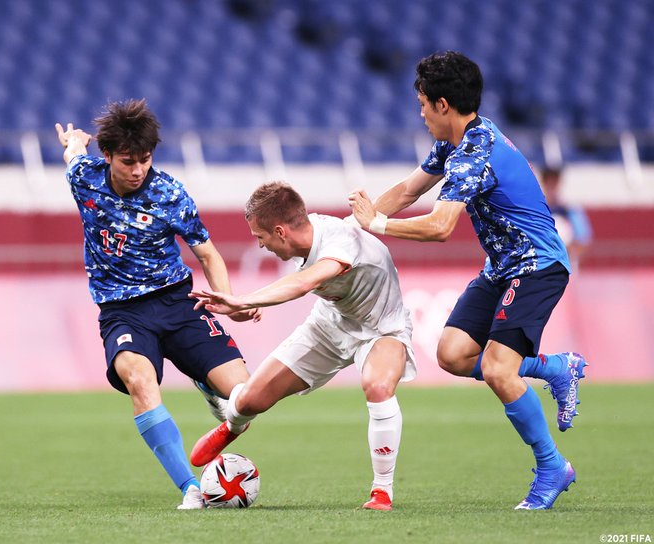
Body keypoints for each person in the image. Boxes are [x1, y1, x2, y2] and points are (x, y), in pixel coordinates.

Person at [348, 51, 587, 510]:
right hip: (502, 267)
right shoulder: (456, 141)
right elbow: (409, 189)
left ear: (443, 104)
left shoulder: (475, 151)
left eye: (423, 104)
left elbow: (440, 227)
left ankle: (552, 466)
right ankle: (554, 368)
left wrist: (376, 225)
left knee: (498, 369)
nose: (420, 114)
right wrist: (352, 228)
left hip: (537, 266)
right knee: (453, 354)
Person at [55, 99, 260, 510]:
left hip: (178, 303)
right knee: (140, 382)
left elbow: (208, 254)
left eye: (145, 160)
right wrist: (74, 142)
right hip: (122, 312)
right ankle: (190, 488)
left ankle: (208, 384)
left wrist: (229, 300)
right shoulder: (84, 179)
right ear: (107, 155)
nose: (137, 170)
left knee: (247, 397)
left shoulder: (170, 193)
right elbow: (74, 155)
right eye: (127, 161)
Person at [188, 181, 417, 511]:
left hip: (382, 329)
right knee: (250, 399)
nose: (261, 245)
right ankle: (233, 424)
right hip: (330, 324)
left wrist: (243, 300)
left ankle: (382, 491)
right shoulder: (309, 237)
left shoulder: (339, 241)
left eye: (260, 237)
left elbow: (304, 282)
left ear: (280, 232)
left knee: (378, 387)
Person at [540, 166, 593, 273]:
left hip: (564, 261)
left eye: (554, 181)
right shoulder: (538, 207)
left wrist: (570, 257)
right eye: (548, 181)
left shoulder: (569, 209)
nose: (551, 185)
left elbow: (583, 238)